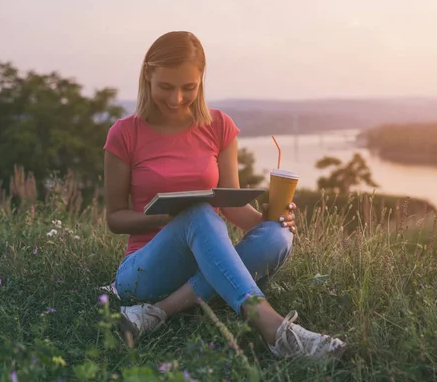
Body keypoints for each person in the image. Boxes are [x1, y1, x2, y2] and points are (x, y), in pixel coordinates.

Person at [102, 31, 346, 360]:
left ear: (201, 79)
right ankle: (276, 330)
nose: (176, 99)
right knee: (200, 213)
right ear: (148, 75)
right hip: (143, 273)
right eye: (166, 87)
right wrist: (167, 217)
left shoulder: (219, 126)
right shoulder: (124, 133)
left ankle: (156, 313)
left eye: (188, 88)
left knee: (277, 236)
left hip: (204, 255)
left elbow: (231, 207)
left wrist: (269, 219)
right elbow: (115, 218)